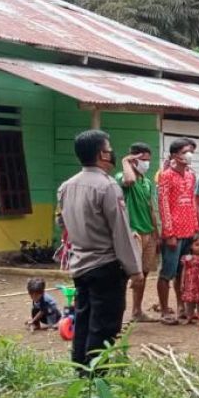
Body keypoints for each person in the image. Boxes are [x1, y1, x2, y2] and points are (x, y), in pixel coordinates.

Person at [57, 129, 143, 372]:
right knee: (104, 325)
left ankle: (80, 370)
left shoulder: (66, 186)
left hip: (80, 263)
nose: (111, 153)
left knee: (83, 321)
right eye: (108, 149)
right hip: (106, 265)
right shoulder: (107, 187)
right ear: (101, 154)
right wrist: (134, 269)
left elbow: (63, 224)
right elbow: (120, 232)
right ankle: (96, 376)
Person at [156, 138, 199, 324]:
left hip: (189, 230)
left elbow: (192, 203)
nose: (188, 155)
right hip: (174, 233)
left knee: (183, 273)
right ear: (174, 155)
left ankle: (181, 306)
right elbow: (163, 205)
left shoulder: (191, 175)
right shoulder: (165, 176)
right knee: (167, 272)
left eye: (190, 151)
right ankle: (165, 310)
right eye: (184, 152)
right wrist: (169, 233)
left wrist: (196, 227)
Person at [118, 143, 159, 323]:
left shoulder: (147, 182)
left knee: (145, 272)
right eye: (143, 160)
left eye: (148, 160)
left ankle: (137, 311)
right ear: (133, 160)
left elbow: (150, 207)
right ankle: (118, 314)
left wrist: (156, 233)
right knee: (131, 274)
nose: (146, 163)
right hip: (132, 232)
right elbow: (129, 180)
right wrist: (124, 161)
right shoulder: (123, 176)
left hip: (148, 232)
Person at [179, 234, 199, 324]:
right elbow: (184, 270)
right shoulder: (187, 258)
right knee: (189, 302)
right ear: (191, 246)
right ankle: (189, 317)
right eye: (197, 245)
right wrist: (182, 282)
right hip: (189, 284)